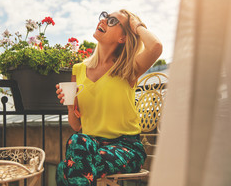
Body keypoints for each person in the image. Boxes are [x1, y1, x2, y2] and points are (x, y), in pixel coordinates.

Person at [55, 10, 163, 186]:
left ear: (123, 38)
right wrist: (69, 105)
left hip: (126, 148)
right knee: (77, 141)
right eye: (105, 16)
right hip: (90, 145)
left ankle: (67, 171)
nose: (104, 20)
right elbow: (76, 125)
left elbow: (156, 47)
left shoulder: (129, 68)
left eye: (112, 21)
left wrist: (135, 25)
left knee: (66, 169)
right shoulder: (78, 69)